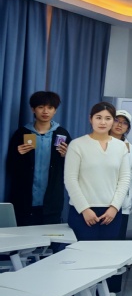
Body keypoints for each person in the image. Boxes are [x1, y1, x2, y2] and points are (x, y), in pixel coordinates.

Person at [64, 101, 131, 294]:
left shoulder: (121, 147)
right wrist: (84, 209)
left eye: (108, 118)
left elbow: (125, 179)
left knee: (104, 263)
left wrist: (114, 207)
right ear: (90, 119)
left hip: (111, 214)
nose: (103, 122)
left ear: (113, 121)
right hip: (83, 213)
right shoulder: (77, 145)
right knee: (82, 263)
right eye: (98, 117)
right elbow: (70, 180)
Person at [6, 91, 70, 226]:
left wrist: (66, 156)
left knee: (50, 236)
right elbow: (11, 167)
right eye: (41, 107)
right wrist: (18, 154)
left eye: (50, 107)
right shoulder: (21, 133)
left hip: (52, 202)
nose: (45, 111)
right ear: (33, 109)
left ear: (55, 111)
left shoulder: (62, 134)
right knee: (24, 236)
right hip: (24, 201)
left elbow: (71, 170)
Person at [109, 109, 132, 242]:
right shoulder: (99, 143)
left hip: (121, 204)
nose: (120, 125)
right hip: (100, 201)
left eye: (124, 123)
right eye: (116, 120)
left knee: (117, 243)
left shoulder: (130, 148)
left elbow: (131, 175)